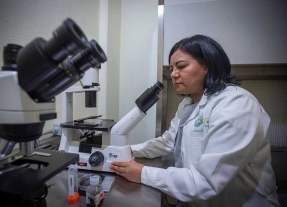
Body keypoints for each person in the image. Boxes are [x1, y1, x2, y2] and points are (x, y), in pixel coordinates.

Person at [109, 35, 280, 207]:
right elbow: (169, 142)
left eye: (181, 66)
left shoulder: (236, 105)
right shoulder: (188, 103)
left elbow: (205, 181)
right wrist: (129, 150)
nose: (174, 74)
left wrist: (143, 173)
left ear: (206, 65)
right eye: (172, 68)